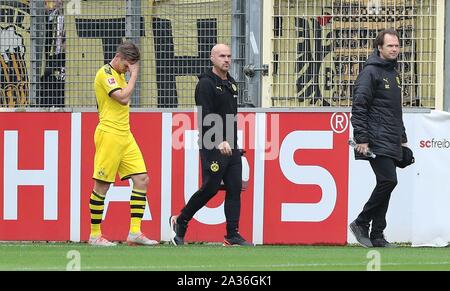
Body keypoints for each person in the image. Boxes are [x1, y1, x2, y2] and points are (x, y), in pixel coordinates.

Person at [169, 44, 252, 246]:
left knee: (234, 187)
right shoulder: (205, 84)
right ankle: (181, 220)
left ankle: (232, 235)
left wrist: (234, 144)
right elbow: (205, 117)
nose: (226, 60)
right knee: (210, 189)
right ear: (212, 58)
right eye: (222, 56)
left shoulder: (231, 83)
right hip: (212, 144)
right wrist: (219, 140)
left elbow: (230, 116)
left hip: (231, 146)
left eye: (229, 56)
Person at [88, 41, 157, 246]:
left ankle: (134, 232)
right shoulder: (105, 73)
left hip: (125, 135)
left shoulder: (118, 75)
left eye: (131, 67)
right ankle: (94, 235)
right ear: (118, 57)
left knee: (142, 179)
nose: (128, 70)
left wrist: (128, 74)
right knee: (102, 185)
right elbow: (122, 98)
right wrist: (135, 74)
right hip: (109, 134)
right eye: (127, 66)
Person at [349, 29, 408, 248]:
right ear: (379, 48)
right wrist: (361, 138)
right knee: (388, 181)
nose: (394, 49)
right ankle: (361, 222)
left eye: (396, 45)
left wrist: (402, 138)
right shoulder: (370, 72)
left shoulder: (394, 73)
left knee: (386, 184)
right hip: (374, 139)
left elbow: (395, 110)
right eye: (390, 46)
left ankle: (377, 235)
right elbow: (359, 106)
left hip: (391, 139)